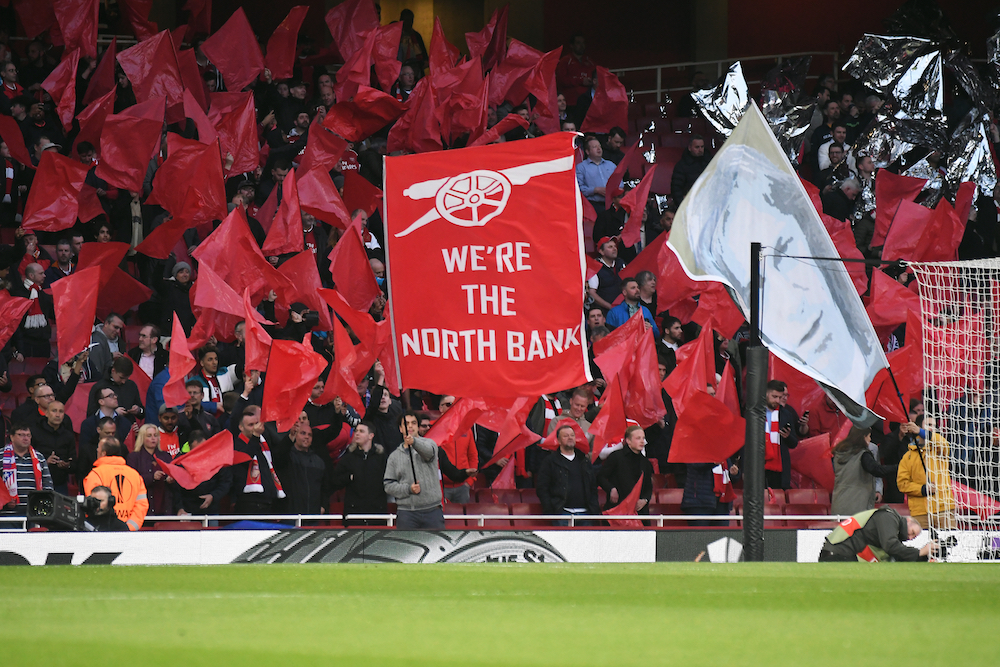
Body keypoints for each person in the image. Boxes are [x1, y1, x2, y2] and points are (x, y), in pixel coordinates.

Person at [384, 411, 444, 529]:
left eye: (414, 423)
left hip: (432, 511)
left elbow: (429, 453)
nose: (410, 426)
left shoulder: (430, 443)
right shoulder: (394, 456)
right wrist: (408, 489)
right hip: (407, 513)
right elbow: (388, 485)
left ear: (418, 426)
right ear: (401, 429)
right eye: (406, 424)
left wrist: (414, 442)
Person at [897, 416, 956, 530]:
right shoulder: (907, 457)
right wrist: (922, 489)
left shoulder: (940, 448)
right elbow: (902, 484)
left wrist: (920, 431)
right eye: (928, 425)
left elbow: (942, 442)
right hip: (920, 512)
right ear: (917, 427)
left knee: (949, 545)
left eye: (933, 426)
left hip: (944, 508)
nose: (931, 428)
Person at [536, 424, 600, 525]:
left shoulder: (584, 461)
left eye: (572, 435)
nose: (570, 438)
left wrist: (594, 508)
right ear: (558, 440)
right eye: (565, 436)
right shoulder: (550, 461)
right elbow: (542, 488)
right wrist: (550, 509)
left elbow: (592, 487)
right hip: (561, 514)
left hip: (586, 514)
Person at [819, 507, 936, 562]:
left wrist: (924, 557)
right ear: (908, 520)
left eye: (912, 538)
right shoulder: (889, 517)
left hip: (839, 553)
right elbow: (891, 546)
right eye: (912, 532)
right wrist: (920, 552)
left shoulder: (888, 523)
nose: (909, 537)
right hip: (838, 554)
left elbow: (898, 554)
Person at [83, 437, 149, 531]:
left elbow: (93, 505)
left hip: (102, 531)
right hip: (127, 532)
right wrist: (128, 528)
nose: (97, 449)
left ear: (103, 453)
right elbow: (141, 505)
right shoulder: (135, 475)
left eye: (98, 447)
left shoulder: (96, 474)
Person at [330, 421, 388, 526]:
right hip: (353, 513)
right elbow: (334, 481)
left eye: (361, 431)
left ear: (371, 436)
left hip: (377, 513)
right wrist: (349, 477)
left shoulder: (382, 458)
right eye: (356, 431)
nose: (357, 433)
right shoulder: (348, 458)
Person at [831, 426, 898, 516]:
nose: (870, 439)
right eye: (869, 436)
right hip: (857, 504)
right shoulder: (863, 455)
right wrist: (899, 467)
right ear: (863, 437)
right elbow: (877, 470)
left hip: (839, 501)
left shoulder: (840, 452)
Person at [231, 406, 285, 514]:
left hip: (267, 503)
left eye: (256, 424)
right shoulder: (236, 444)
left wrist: (290, 438)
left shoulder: (262, 445)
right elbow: (246, 458)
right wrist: (255, 436)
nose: (254, 428)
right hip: (249, 504)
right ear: (241, 427)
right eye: (250, 425)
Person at [598, 425, 654, 515]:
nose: (642, 441)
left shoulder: (645, 462)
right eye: (638, 438)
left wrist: (645, 499)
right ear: (628, 440)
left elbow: (648, 486)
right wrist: (611, 489)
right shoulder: (616, 457)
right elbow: (601, 477)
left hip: (638, 512)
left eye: (643, 438)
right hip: (617, 509)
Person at [126, 423, 176, 516]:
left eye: (155, 435)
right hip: (143, 508)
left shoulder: (166, 456)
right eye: (149, 436)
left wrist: (171, 479)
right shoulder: (133, 457)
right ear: (142, 438)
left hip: (165, 506)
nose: (153, 438)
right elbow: (131, 481)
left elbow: (175, 483)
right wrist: (152, 477)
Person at [1, 423, 53, 508]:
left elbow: (48, 485)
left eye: (28, 435)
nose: (25, 438)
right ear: (12, 437)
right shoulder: (1, 456)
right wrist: (4, 499)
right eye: (21, 435)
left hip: (34, 513)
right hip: (7, 514)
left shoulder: (39, 457)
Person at [28, 400, 75, 494]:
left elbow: (74, 463)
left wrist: (67, 465)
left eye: (61, 411)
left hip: (60, 483)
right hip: (38, 482)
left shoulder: (68, 435)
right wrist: (45, 463)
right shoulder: (34, 432)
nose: (57, 415)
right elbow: (27, 458)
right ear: (46, 413)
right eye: (54, 411)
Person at [86, 356, 144, 422]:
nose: (124, 381)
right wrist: (113, 414)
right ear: (113, 371)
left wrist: (138, 410)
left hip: (128, 427)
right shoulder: (99, 387)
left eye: (127, 378)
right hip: (107, 429)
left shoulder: (131, 385)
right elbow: (91, 415)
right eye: (121, 378)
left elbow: (142, 412)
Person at [764, 380, 798, 489]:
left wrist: (787, 436)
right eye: (774, 397)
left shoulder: (786, 414)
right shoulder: (754, 412)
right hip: (760, 466)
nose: (777, 400)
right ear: (766, 394)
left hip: (780, 469)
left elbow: (794, 443)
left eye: (780, 397)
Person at [575, 136, 617, 214]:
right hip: (592, 206)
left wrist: (613, 191)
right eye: (595, 147)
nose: (599, 149)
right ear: (587, 151)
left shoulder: (611, 165)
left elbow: (619, 183)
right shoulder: (581, 167)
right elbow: (578, 189)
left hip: (611, 205)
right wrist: (595, 190)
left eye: (599, 146)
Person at [587, 236, 625, 311]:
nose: (614, 249)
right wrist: (610, 307)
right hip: (605, 312)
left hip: (623, 309)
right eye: (610, 247)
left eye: (615, 246)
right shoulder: (595, 267)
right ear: (601, 251)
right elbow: (592, 293)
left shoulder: (621, 263)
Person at [85, 312, 126, 381]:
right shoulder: (92, 337)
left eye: (120, 329)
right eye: (115, 327)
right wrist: (110, 356)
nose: (118, 331)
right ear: (106, 323)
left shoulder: (121, 343)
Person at [670, 135, 709, 204]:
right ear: (690, 148)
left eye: (702, 147)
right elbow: (676, 189)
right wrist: (683, 203)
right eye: (697, 147)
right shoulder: (681, 166)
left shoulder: (710, 162)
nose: (700, 150)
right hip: (690, 203)